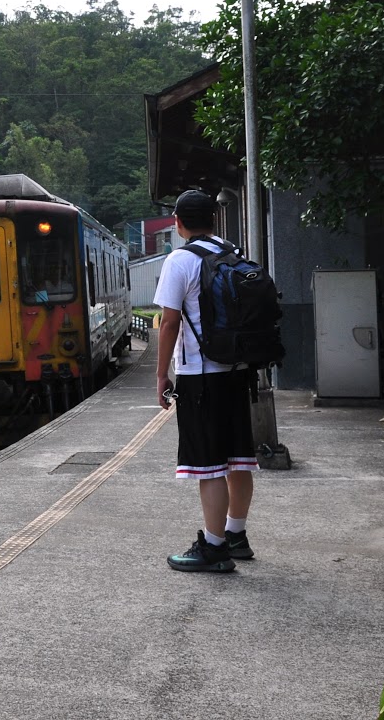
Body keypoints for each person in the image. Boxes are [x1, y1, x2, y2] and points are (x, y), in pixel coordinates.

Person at [154, 188, 257, 573]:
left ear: (178, 223)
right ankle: (236, 535)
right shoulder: (233, 252)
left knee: (209, 465)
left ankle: (214, 548)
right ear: (213, 219)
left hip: (200, 376)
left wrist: (161, 375)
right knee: (238, 459)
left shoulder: (180, 260)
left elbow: (169, 323)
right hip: (238, 370)